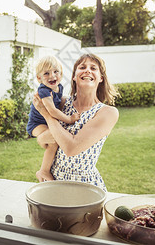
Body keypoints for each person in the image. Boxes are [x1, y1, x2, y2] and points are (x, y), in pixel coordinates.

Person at [32, 53, 119, 192]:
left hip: (84, 186)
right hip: (53, 181)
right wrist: (43, 137)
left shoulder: (107, 112)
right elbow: (43, 141)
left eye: (93, 68)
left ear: (101, 78)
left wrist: (47, 116)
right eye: (82, 67)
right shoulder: (61, 104)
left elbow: (71, 148)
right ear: (74, 76)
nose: (87, 70)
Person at [26, 56, 80, 182]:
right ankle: (43, 170)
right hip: (37, 124)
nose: (52, 76)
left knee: (55, 138)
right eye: (46, 73)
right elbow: (52, 111)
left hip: (46, 122)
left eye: (56, 72)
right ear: (39, 78)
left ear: (61, 74)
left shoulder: (59, 87)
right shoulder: (44, 91)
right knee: (53, 141)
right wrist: (70, 119)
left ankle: (47, 168)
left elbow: (58, 103)